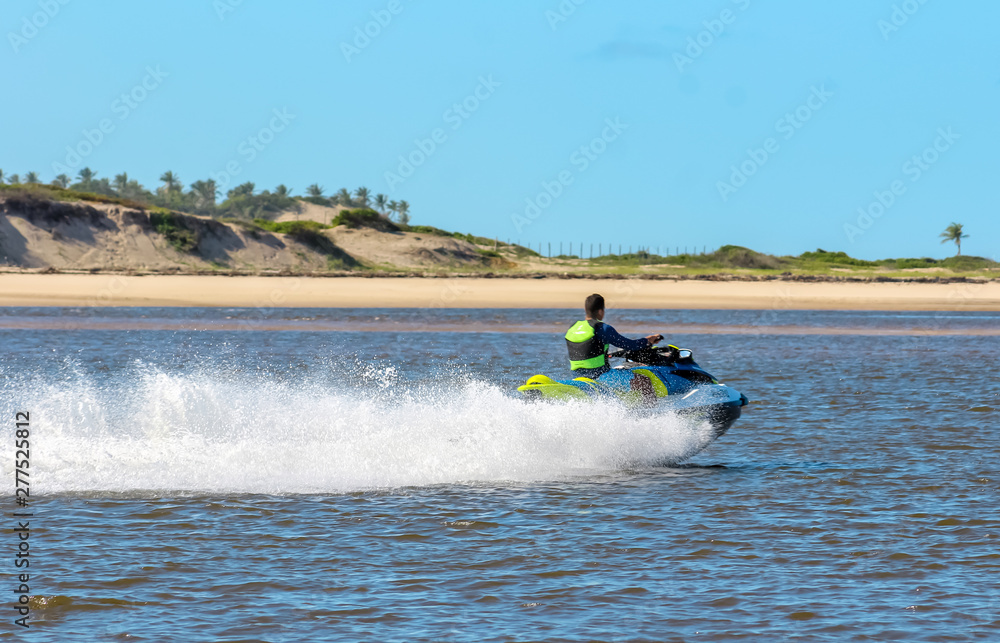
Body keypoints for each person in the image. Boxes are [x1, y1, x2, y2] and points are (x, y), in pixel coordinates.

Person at [565, 293, 663, 379]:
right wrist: (648, 340)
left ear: (586, 309)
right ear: (600, 311)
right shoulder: (603, 328)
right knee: (642, 379)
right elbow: (630, 345)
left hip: (577, 376)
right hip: (601, 376)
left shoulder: (572, 328)